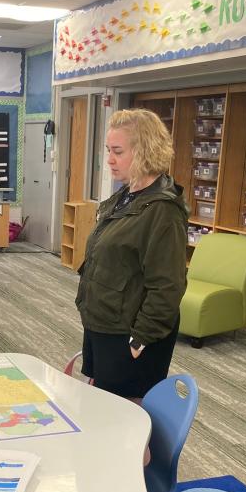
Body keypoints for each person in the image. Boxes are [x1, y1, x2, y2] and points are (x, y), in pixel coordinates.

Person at [75, 108, 188, 407]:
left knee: (125, 416)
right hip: (105, 321)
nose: (109, 159)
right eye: (108, 150)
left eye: (118, 151)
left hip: (131, 334)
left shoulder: (163, 210)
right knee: (103, 405)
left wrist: (142, 337)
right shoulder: (126, 196)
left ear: (144, 151)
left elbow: (167, 286)